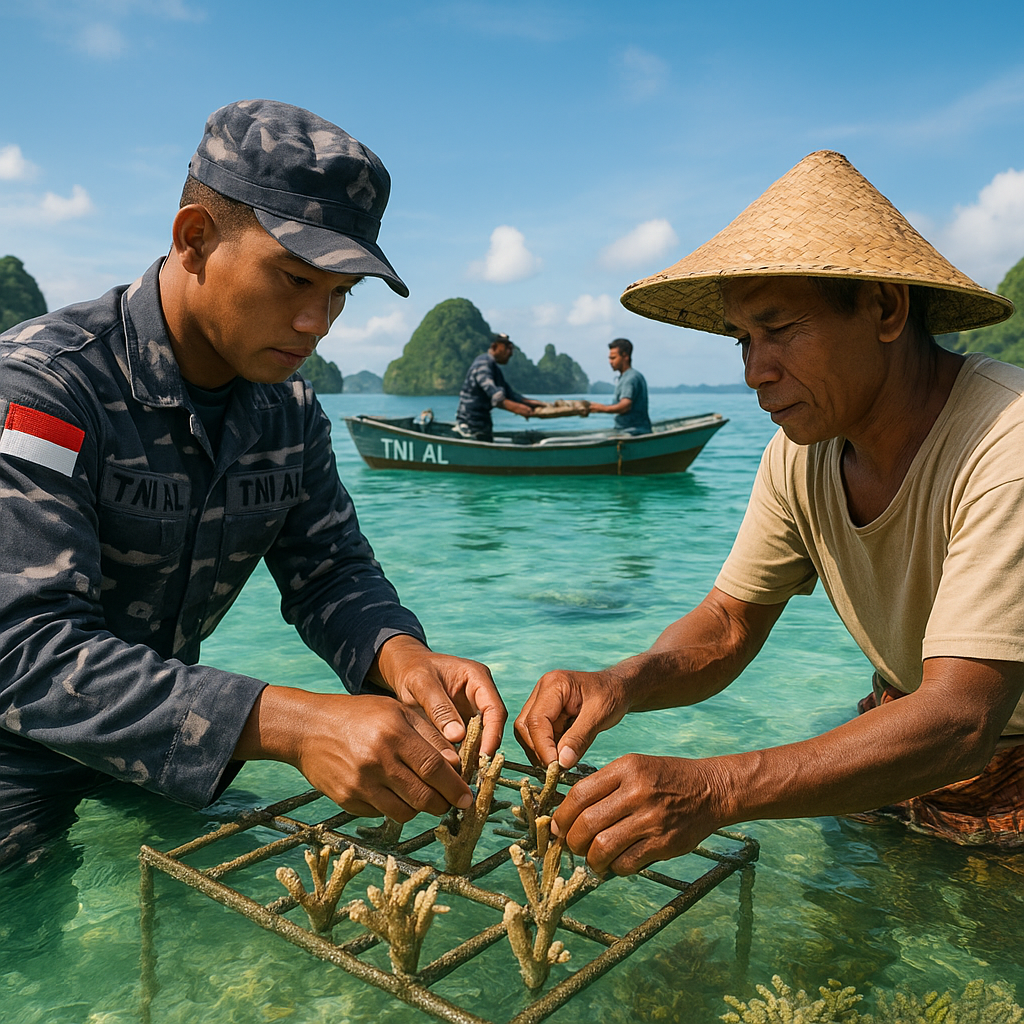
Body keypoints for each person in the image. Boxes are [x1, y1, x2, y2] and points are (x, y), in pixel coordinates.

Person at [0, 99, 506, 870]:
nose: (318, 322)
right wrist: (297, 726)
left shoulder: (289, 412)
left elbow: (330, 570)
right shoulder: (43, 388)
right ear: (194, 239)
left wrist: (402, 658)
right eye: (296, 279)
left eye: (341, 293)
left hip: (159, 734)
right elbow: (24, 647)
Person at [515, 149, 1024, 876]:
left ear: (884, 308)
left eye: (779, 329)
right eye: (743, 340)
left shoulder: (1007, 439)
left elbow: (964, 720)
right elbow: (728, 625)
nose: (755, 370)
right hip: (900, 731)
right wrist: (619, 683)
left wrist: (716, 788)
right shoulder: (803, 452)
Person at [454, 333, 545, 440]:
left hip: (483, 425)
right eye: (507, 348)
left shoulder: (495, 369)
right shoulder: (483, 364)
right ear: (494, 347)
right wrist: (520, 409)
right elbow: (496, 398)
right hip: (470, 426)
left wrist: (539, 404)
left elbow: (511, 395)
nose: (510, 353)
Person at [587, 338, 651, 433]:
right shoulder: (625, 377)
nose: (610, 362)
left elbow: (625, 406)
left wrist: (600, 408)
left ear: (625, 357)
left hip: (634, 431)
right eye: (609, 358)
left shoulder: (631, 378)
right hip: (624, 429)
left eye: (613, 358)